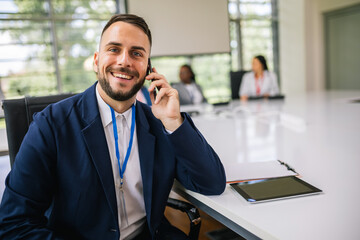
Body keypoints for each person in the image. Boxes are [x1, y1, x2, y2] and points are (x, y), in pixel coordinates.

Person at [0, 14, 226, 240]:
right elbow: (14, 223)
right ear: (97, 61)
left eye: (136, 53)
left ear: (148, 68)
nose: (124, 61)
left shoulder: (159, 123)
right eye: (114, 49)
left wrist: (174, 122)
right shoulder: (51, 124)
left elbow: (211, 183)